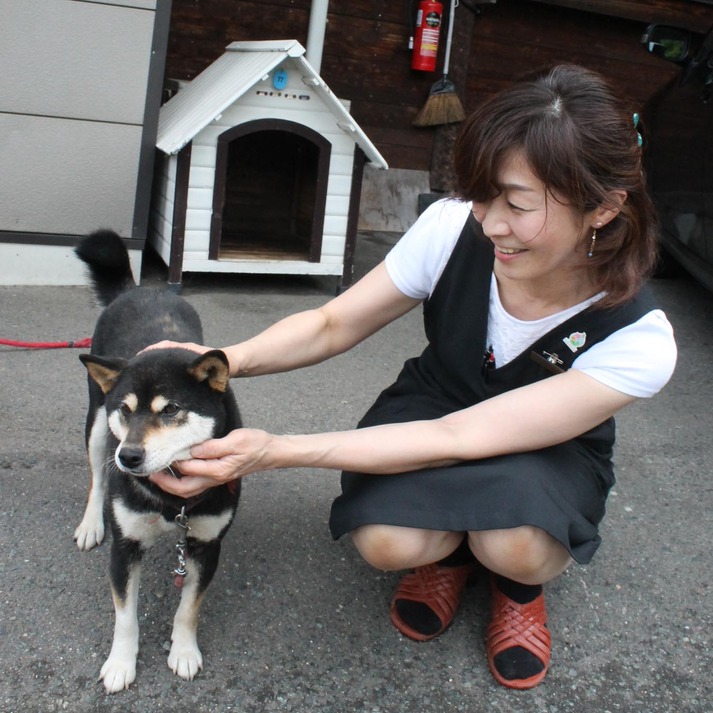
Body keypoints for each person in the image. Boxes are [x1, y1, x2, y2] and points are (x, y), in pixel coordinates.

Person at [147, 64, 677, 689]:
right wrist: (223, 358)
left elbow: (460, 438)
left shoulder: (640, 337)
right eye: (482, 194)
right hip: (434, 401)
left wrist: (271, 452)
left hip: (545, 446)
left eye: (517, 203)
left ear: (603, 208)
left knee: (514, 545)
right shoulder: (453, 227)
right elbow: (331, 324)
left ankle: (514, 586)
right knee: (386, 544)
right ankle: (449, 552)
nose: (489, 223)